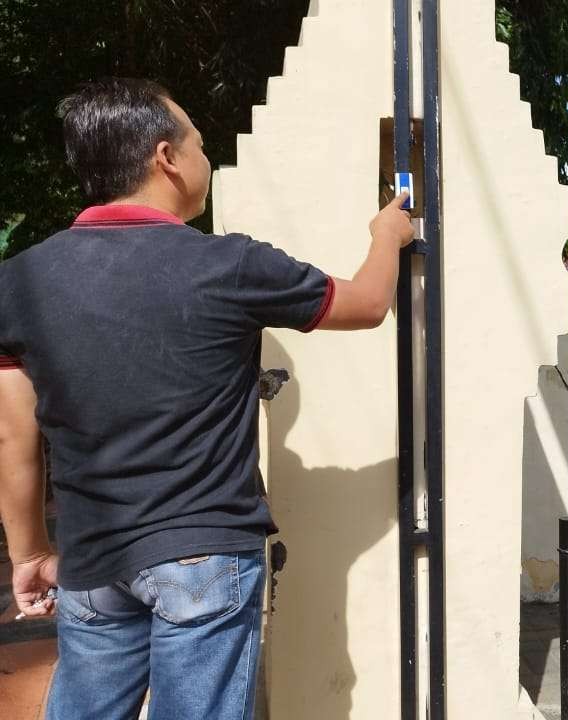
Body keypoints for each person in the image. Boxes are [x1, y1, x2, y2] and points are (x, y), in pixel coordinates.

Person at [0, 77, 414, 720]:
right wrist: (388, 233)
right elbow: (366, 305)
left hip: (91, 562)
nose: (207, 159)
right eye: (198, 143)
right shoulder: (231, 265)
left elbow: (12, 434)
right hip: (205, 556)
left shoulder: (18, 282)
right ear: (166, 157)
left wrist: (27, 552)